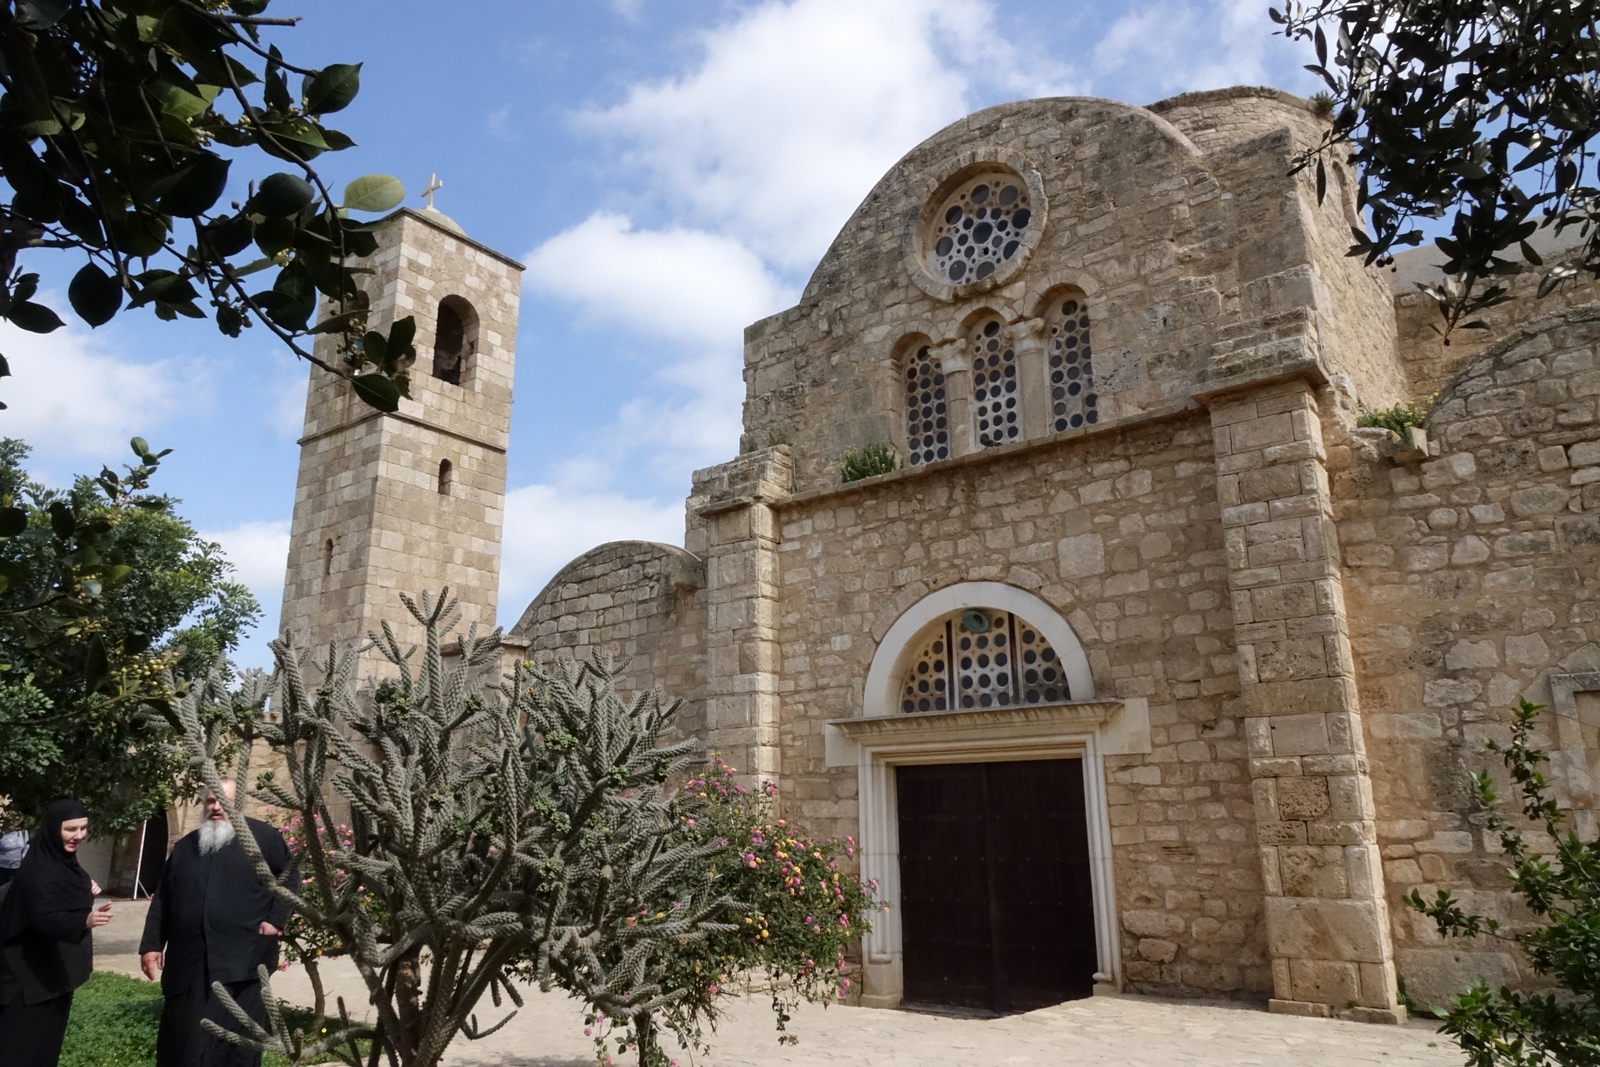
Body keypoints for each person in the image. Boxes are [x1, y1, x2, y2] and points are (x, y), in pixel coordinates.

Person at [139, 780, 299, 1067]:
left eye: (222, 801)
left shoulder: (263, 839)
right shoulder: (187, 848)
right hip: (190, 967)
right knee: (184, 1045)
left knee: (235, 1050)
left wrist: (275, 921)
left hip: (244, 965)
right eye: (210, 801)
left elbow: (290, 877)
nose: (215, 808)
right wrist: (151, 944)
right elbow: (164, 898)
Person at [0, 798, 114, 1065]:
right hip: (27, 987)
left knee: (43, 1053)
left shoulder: (66, 866)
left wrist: (86, 887)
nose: (79, 836)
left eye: (83, 829)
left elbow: (68, 889)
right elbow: (44, 921)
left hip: (53, 982)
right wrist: (83, 921)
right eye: (70, 829)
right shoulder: (38, 871)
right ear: (54, 829)